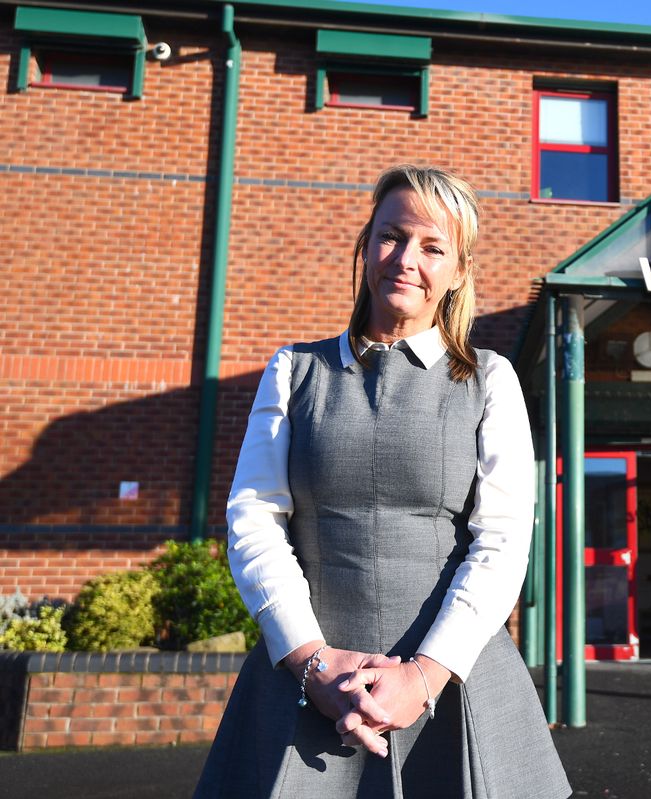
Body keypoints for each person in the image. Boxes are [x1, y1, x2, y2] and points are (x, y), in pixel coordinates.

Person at [195, 165, 571, 798]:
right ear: (365, 246)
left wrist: (424, 676)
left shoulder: (490, 379)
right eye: (392, 237)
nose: (406, 259)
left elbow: (503, 540)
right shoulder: (293, 371)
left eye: (433, 247)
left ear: (457, 272)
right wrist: (312, 662)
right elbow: (254, 518)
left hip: (453, 685)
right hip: (305, 683)